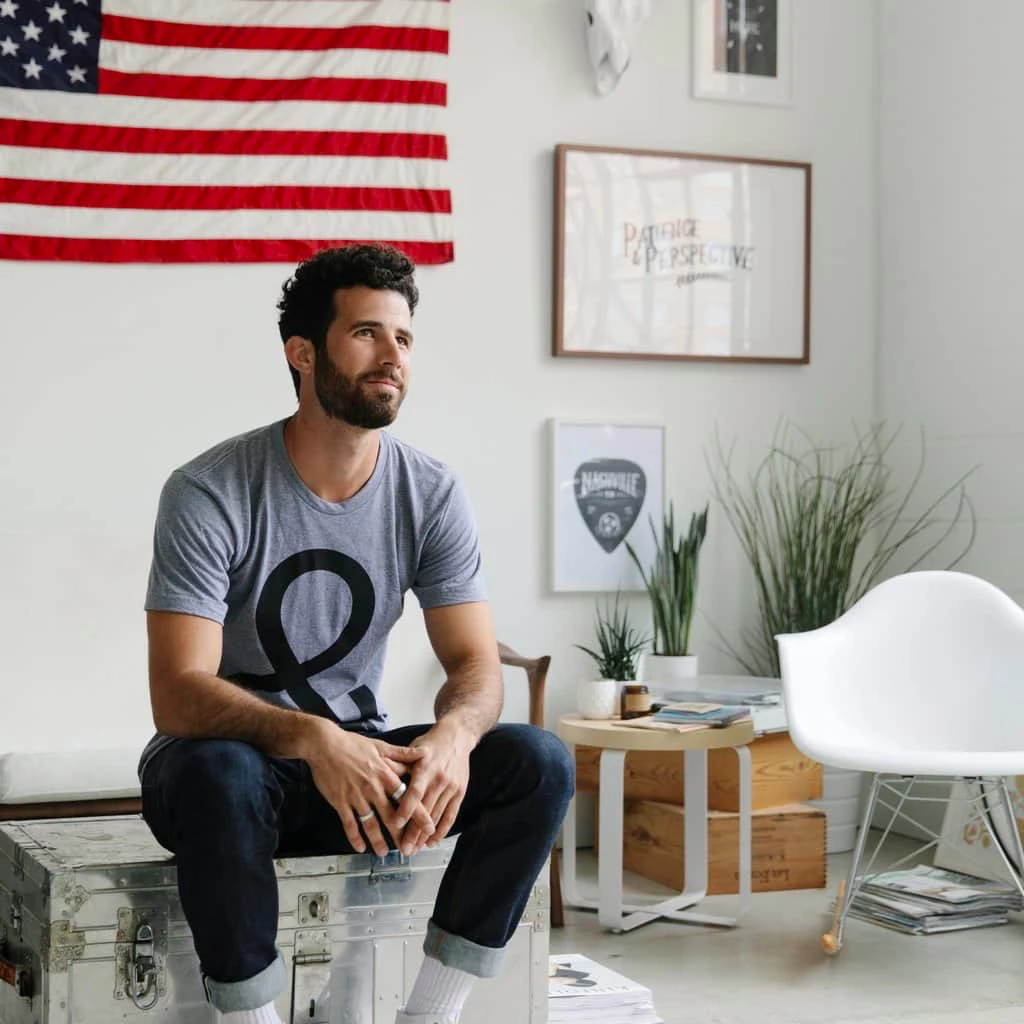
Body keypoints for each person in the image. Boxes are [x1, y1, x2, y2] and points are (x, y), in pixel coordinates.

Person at [139, 243, 574, 1024]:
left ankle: (429, 1014)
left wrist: (453, 737)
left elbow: (475, 663)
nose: (393, 357)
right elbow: (178, 694)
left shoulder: (431, 491)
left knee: (538, 761)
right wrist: (313, 738)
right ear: (302, 353)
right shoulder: (210, 490)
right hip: (235, 779)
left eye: (403, 338)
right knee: (217, 773)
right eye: (367, 333)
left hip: (364, 772)